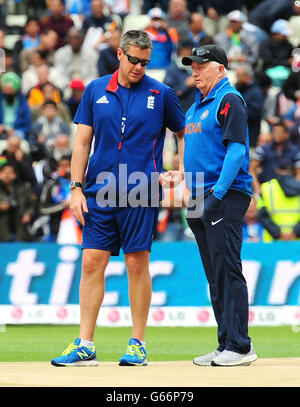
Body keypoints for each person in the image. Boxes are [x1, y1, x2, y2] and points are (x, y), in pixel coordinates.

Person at [50, 29, 185, 367]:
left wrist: (180, 170)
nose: (139, 67)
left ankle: (137, 343)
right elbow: (81, 143)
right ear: (121, 56)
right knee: (91, 262)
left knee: (136, 263)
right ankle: (85, 344)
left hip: (141, 189)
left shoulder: (161, 92)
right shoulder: (95, 90)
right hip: (98, 190)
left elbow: (183, 133)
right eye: (134, 60)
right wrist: (76, 188)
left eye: (145, 62)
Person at [162, 44, 257, 366]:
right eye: (193, 66)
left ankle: (241, 346)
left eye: (202, 66)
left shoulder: (229, 100)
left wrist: (217, 194)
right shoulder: (194, 108)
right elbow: (197, 153)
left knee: (228, 270)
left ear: (221, 69)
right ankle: (225, 343)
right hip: (199, 196)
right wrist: (182, 176)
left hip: (223, 196)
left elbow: (237, 152)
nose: (195, 71)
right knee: (215, 273)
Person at [235, 63, 265, 148]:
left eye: (239, 75)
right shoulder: (239, 88)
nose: (236, 78)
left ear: (247, 76)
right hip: (238, 132)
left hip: (250, 135)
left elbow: (255, 113)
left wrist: (237, 111)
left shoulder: (256, 92)